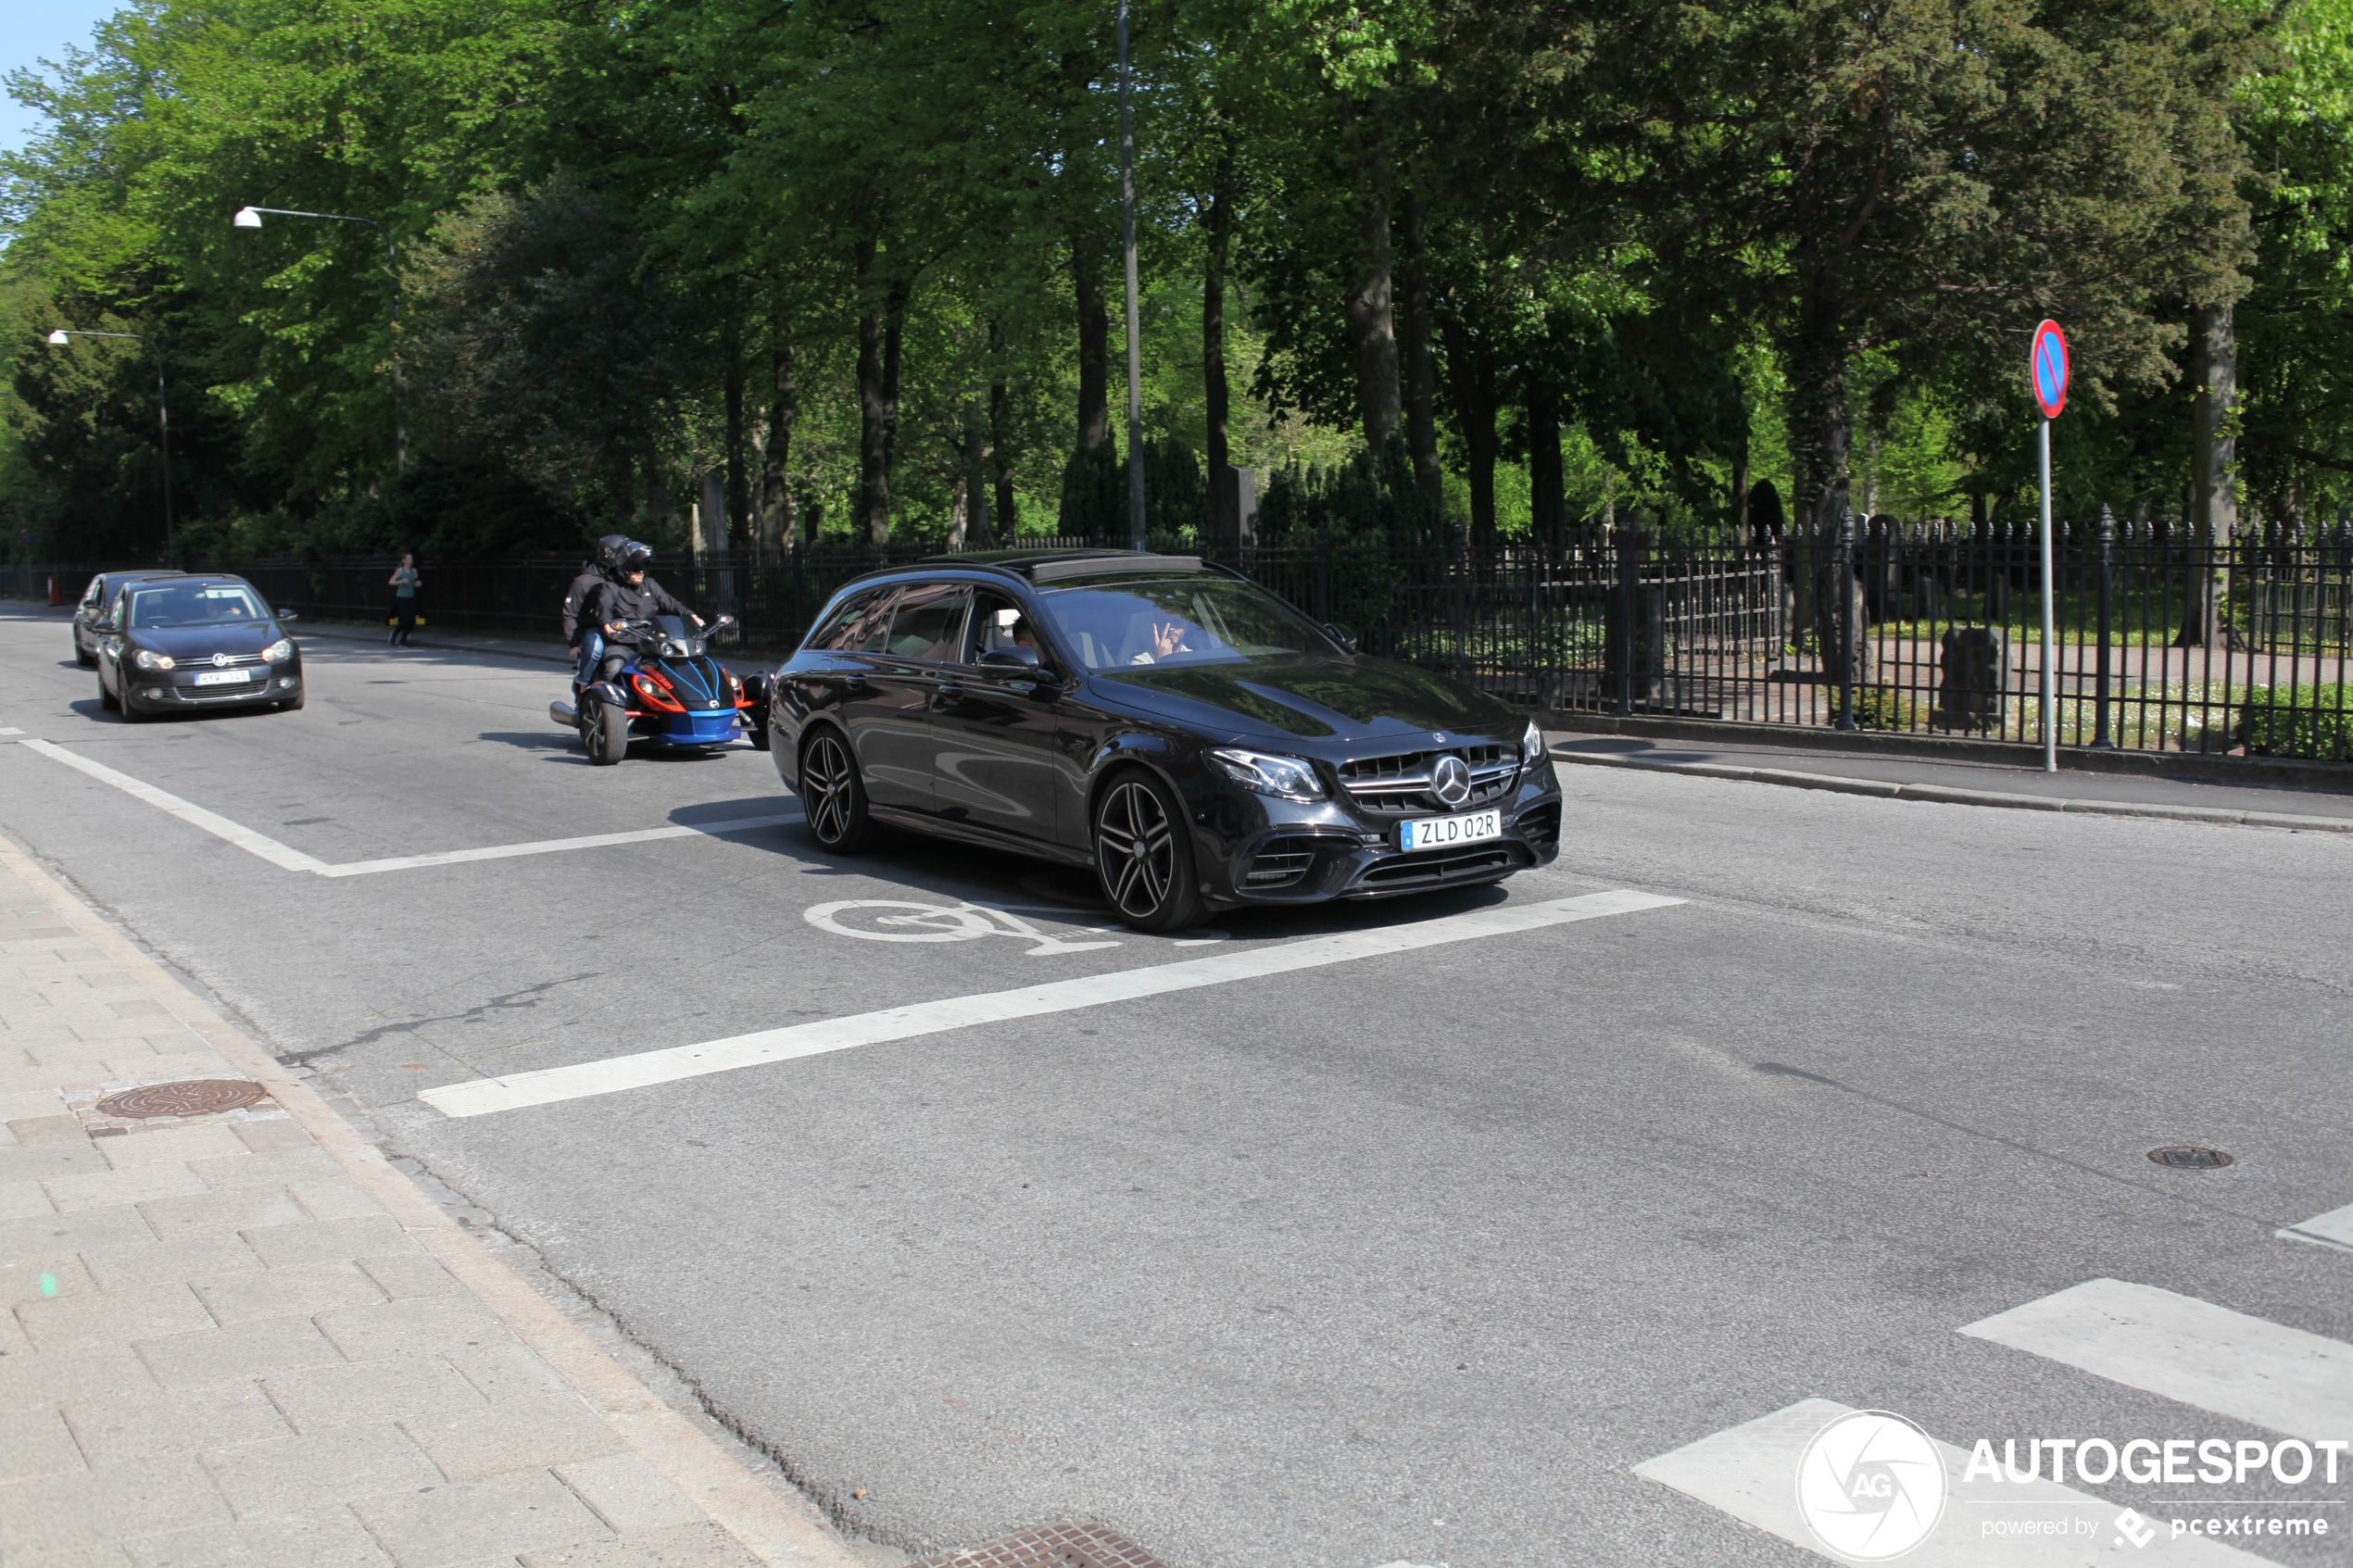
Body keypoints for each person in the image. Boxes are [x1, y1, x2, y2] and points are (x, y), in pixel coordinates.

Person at [578, 541, 703, 683]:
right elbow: (604, 607)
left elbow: (670, 602)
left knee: (679, 668)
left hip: (651, 643)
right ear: (624, 568)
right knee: (614, 669)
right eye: (637, 567)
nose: (642, 571)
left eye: (644, 566)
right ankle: (614, 703)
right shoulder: (611, 587)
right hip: (623, 644)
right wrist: (607, 623)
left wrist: (689, 615)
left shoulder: (650, 584)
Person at [562, 535, 631, 689]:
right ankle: (584, 683)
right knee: (596, 647)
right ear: (609, 554)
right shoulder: (583, 582)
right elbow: (570, 614)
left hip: (626, 629)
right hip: (596, 629)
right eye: (622, 554)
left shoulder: (625, 578)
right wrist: (573, 644)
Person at [386, 554, 420, 646]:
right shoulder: (400, 571)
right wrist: (401, 581)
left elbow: (415, 583)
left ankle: (403, 640)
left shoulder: (414, 571)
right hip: (401, 598)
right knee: (406, 619)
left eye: (411, 559)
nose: (410, 561)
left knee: (412, 620)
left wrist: (418, 584)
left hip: (411, 598)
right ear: (404, 561)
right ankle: (395, 633)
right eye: (408, 559)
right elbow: (391, 582)